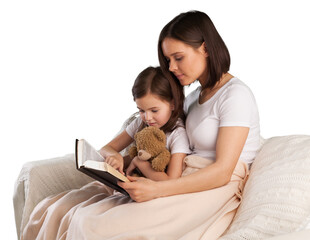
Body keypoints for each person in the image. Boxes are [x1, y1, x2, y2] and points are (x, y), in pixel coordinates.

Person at [21, 10, 260, 240]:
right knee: (63, 210)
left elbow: (223, 172)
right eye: (168, 60)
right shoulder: (191, 99)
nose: (172, 68)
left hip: (213, 187)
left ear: (205, 48)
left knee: (94, 224)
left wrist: (157, 189)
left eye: (179, 58)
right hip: (182, 178)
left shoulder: (235, 95)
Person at [100, 66, 191, 181]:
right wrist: (115, 155)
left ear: (173, 103)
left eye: (154, 110)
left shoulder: (177, 134)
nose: (147, 118)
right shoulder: (140, 122)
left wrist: (139, 162)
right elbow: (106, 148)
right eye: (141, 110)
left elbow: (171, 181)